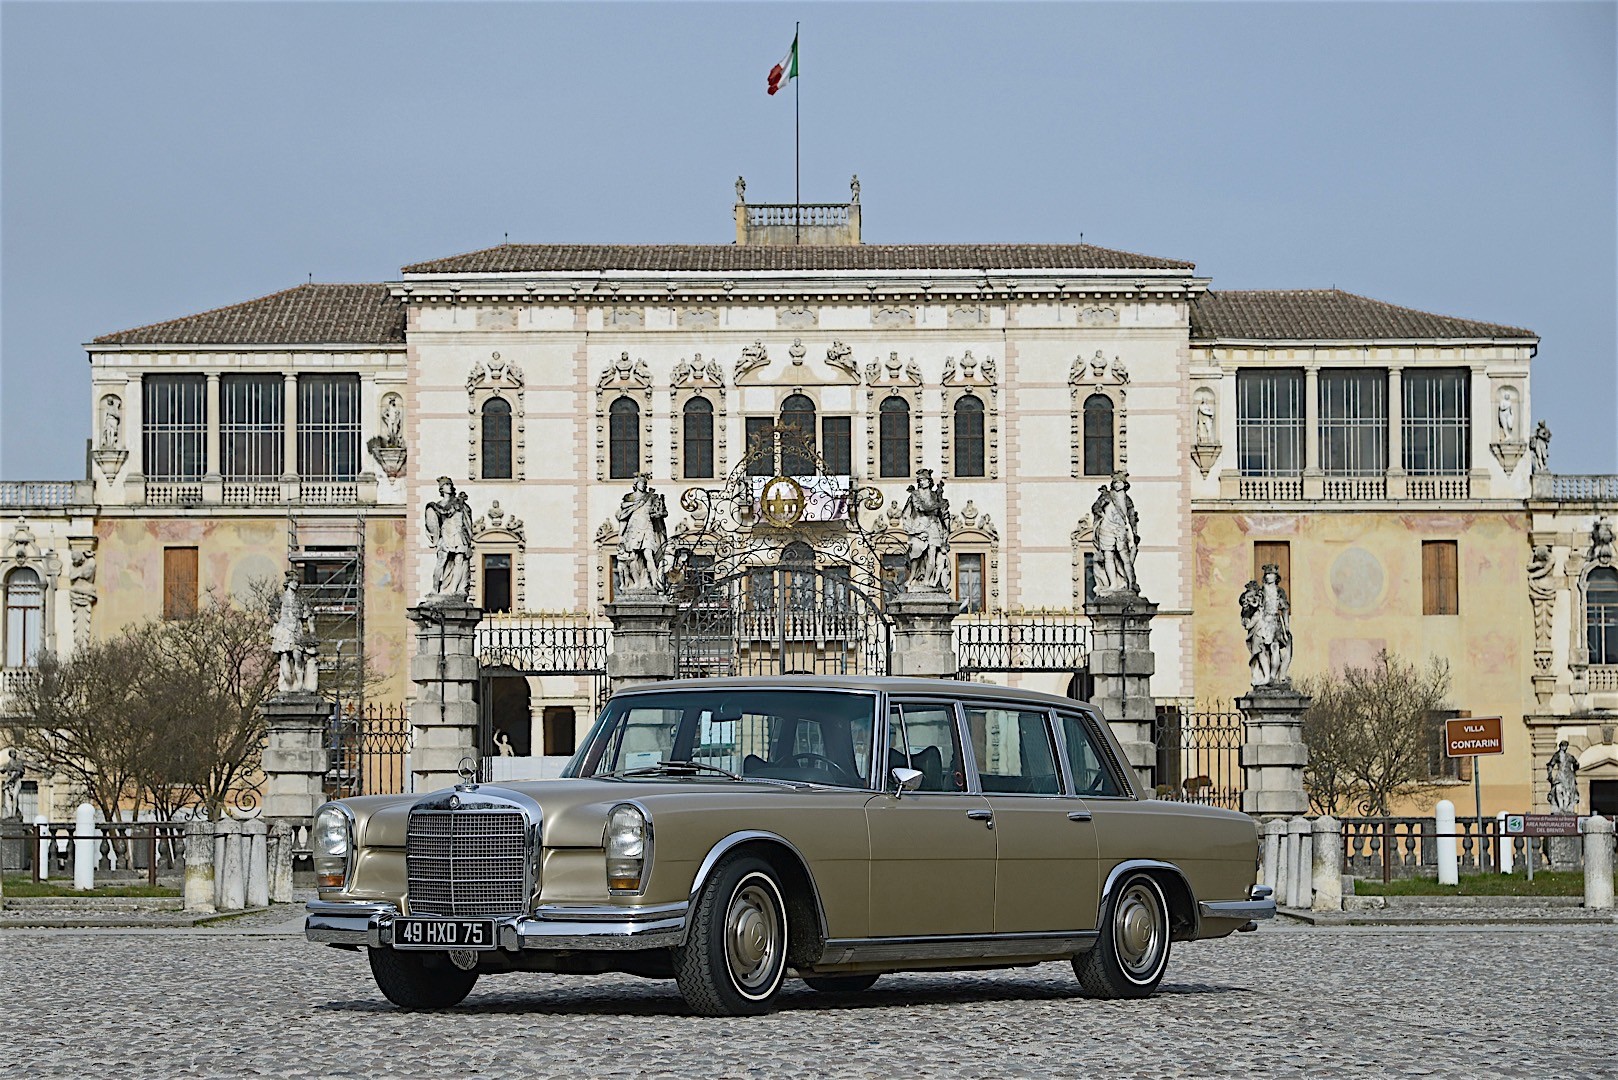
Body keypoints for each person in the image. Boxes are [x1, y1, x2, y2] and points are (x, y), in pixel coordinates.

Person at [614, 475, 668, 592]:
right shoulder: (629, 498)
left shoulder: (652, 497)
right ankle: (637, 583)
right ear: (635, 485)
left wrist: (659, 513)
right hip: (633, 528)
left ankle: (655, 582)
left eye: (644, 483)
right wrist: (621, 535)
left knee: (648, 555)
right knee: (633, 557)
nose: (643, 485)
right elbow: (624, 518)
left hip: (647, 527)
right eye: (640, 483)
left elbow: (661, 513)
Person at [900, 470, 951, 591]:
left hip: (933, 526)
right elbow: (907, 513)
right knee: (916, 553)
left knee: (931, 554)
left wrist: (942, 509)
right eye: (920, 480)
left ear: (929, 481)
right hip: (919, 527)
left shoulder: (934, 496)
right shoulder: (915, 495)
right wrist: (912, 529)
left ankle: (927, 580)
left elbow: (940, 513)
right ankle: (912, 577)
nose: (921, 482)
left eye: (923, 480)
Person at [425, 478, 475, 599]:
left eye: (449, 484)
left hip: (458, 535)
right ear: (441, 488)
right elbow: (433, 523)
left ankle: (454, 590)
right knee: (441, 562)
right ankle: (435, 589)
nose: (449, 486)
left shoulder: (460, 503)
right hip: (446, 535)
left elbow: (467, 521)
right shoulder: (437, 505)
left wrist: (469, 538)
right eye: (446, 484)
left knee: (459, 560)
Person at [1090, 474, 1139, 594]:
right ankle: (1113, 584)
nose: (1117, 484)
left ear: (1124, 484)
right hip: (1106, 529)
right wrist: (1102, 515)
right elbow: (1095, 507)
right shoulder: (1107, 496)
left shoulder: (1127, 500)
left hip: (1120, 530)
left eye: (1119, 482)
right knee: (1108, 556)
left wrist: (1134, 532)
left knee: (1125, 557)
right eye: (1115, 482)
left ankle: (1130, 583)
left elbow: (1131, 517)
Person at [1546, 739, 1579, 814]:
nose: (1564, 747)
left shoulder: (1569, 756)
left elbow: (1576, 763)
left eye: (1566, 746)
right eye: (1563, 746)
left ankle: (1566, 808)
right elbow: (1551, 764)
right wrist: (1550, 774)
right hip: (1560, 775)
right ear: (1560, 746)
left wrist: (1574, 771)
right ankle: (1560, 807)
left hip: (1568, 775)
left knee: (1568, 792)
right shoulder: (1557, 755)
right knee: (1558, 789)